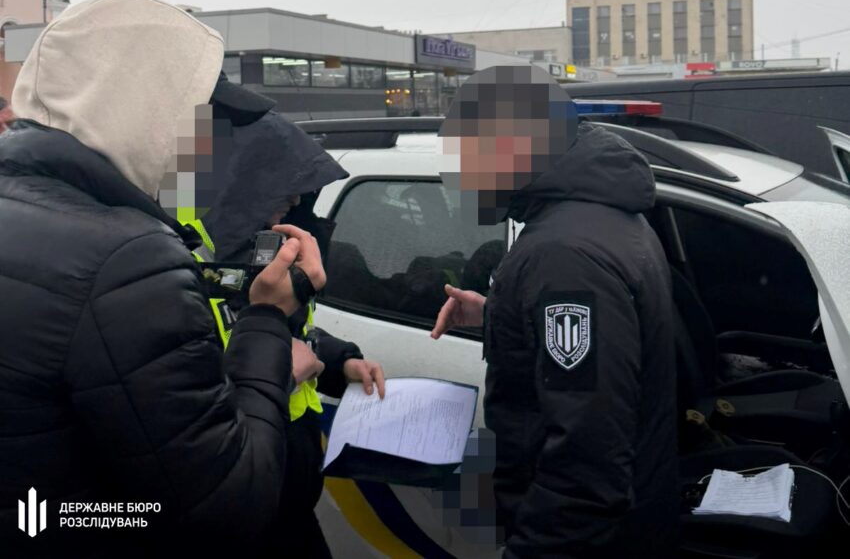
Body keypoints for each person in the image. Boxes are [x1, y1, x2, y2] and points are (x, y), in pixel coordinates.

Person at [0, 0, 323, 556]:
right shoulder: (125, 255)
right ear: (138, 108)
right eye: (197, 118)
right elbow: (230, 506)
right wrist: (269, 321)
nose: (205, 147)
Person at [431, 66, 679, 558]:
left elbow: (587, 458)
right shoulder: (600, 216)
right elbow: (599, 350)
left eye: (469, 152)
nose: (462, 171)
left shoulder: (564, 255)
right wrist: (498, 313)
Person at [172, 88, 386, 557]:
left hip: (286, 496)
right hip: (235, 513)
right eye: (281, 182)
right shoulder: (176, 270)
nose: (295, 197)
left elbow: (292, 334)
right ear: (239, 181)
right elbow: (181, 402)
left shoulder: (256, 251)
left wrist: (341, 363)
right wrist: (284, 372)